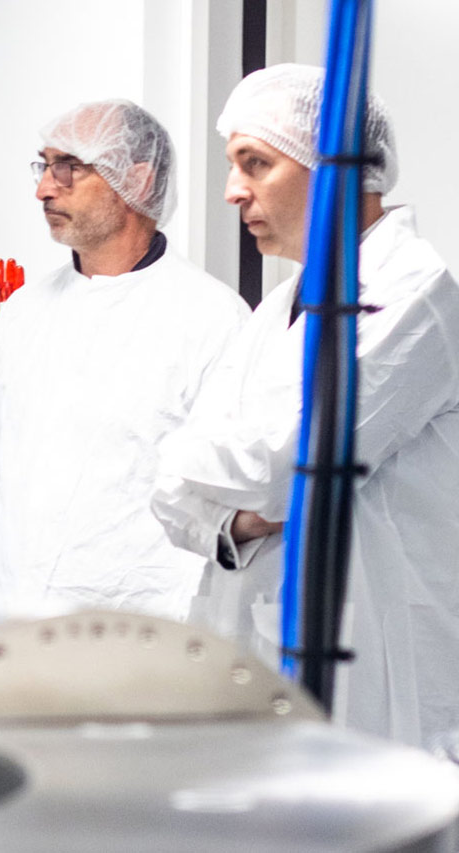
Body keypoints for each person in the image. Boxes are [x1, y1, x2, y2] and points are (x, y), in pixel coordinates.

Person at [152, 64, 459, 749]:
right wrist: (235, 517)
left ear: (339, 167)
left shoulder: (415, 292)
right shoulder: (276, 309)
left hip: (377, 676)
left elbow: (284, 465)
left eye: (255, 163)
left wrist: (210, 472)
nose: (233, 190)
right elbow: (171, 494)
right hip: (263, 650)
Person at [0, 100, 248, 625]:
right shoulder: (24, 312)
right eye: (44, 165)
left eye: (68, 167)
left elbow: (215, 507)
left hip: (138, 638)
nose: (43, 189)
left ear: (136, 180)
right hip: (11, 631)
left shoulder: (213, 320)